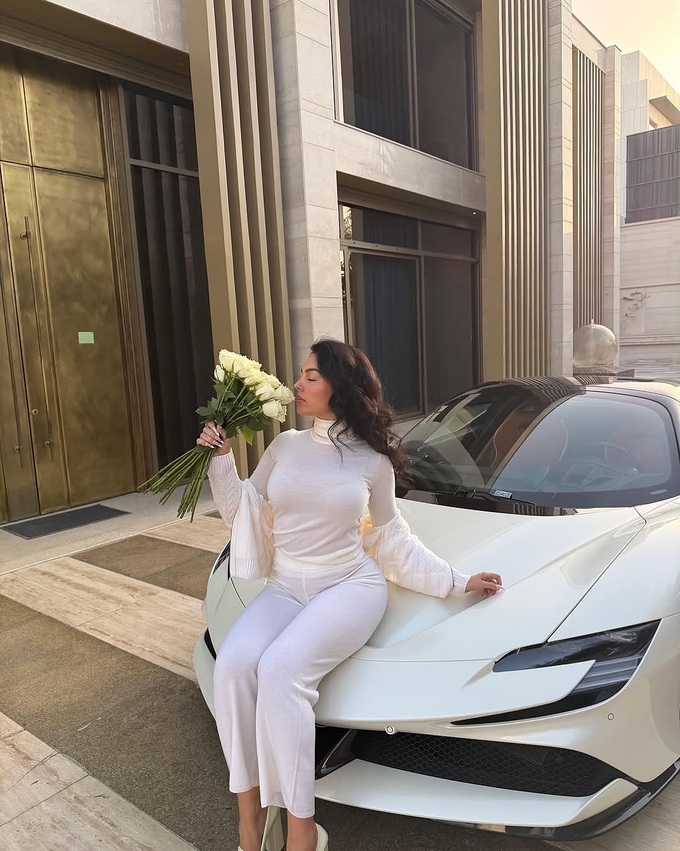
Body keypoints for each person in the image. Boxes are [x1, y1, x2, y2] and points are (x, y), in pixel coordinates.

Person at [198, 338, 502, 851]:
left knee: (281, 671)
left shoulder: (372, 461)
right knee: (232, 665)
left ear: (339, 387)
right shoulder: (284, 446)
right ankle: (250, 815)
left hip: (348, 586)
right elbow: (242, 511)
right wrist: (222, 460)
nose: (297, 384)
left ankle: (301, 828)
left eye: (310, 376)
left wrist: (456, 580)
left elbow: (390, 537)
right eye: (301, 374)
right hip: (285, 586)